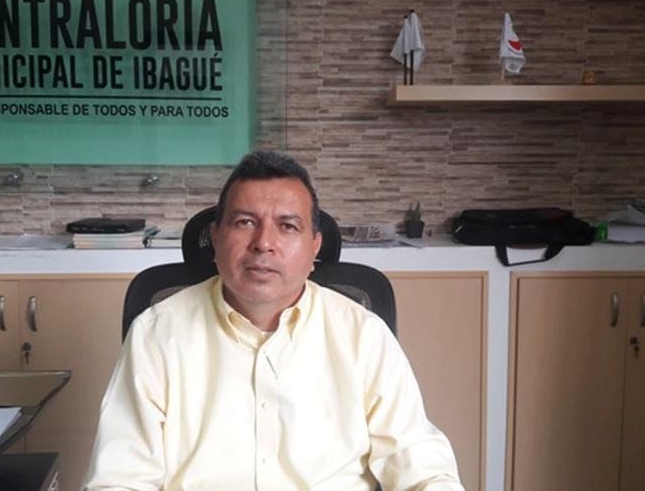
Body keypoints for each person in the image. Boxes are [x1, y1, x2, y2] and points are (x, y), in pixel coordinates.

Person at [84, 151, 464, 491]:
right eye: (245, 222)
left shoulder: (363, 335)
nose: (263, 243)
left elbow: (423, 471)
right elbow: (119, 479)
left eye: (288, 226)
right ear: (215, 238)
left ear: (314, 246)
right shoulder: (157, 334)